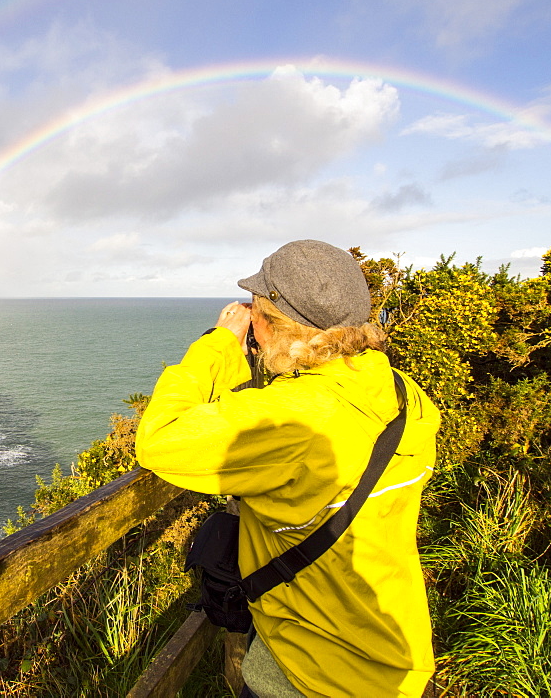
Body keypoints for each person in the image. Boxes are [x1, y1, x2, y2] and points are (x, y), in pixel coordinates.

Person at [135, 240, 440, 697]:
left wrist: (219, 343)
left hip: (312, 668)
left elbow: (161, 439)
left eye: (256, 311)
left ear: (271, 325)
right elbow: (269, 421)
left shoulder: (298, 419)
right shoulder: (403, 395)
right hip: (395, 651)